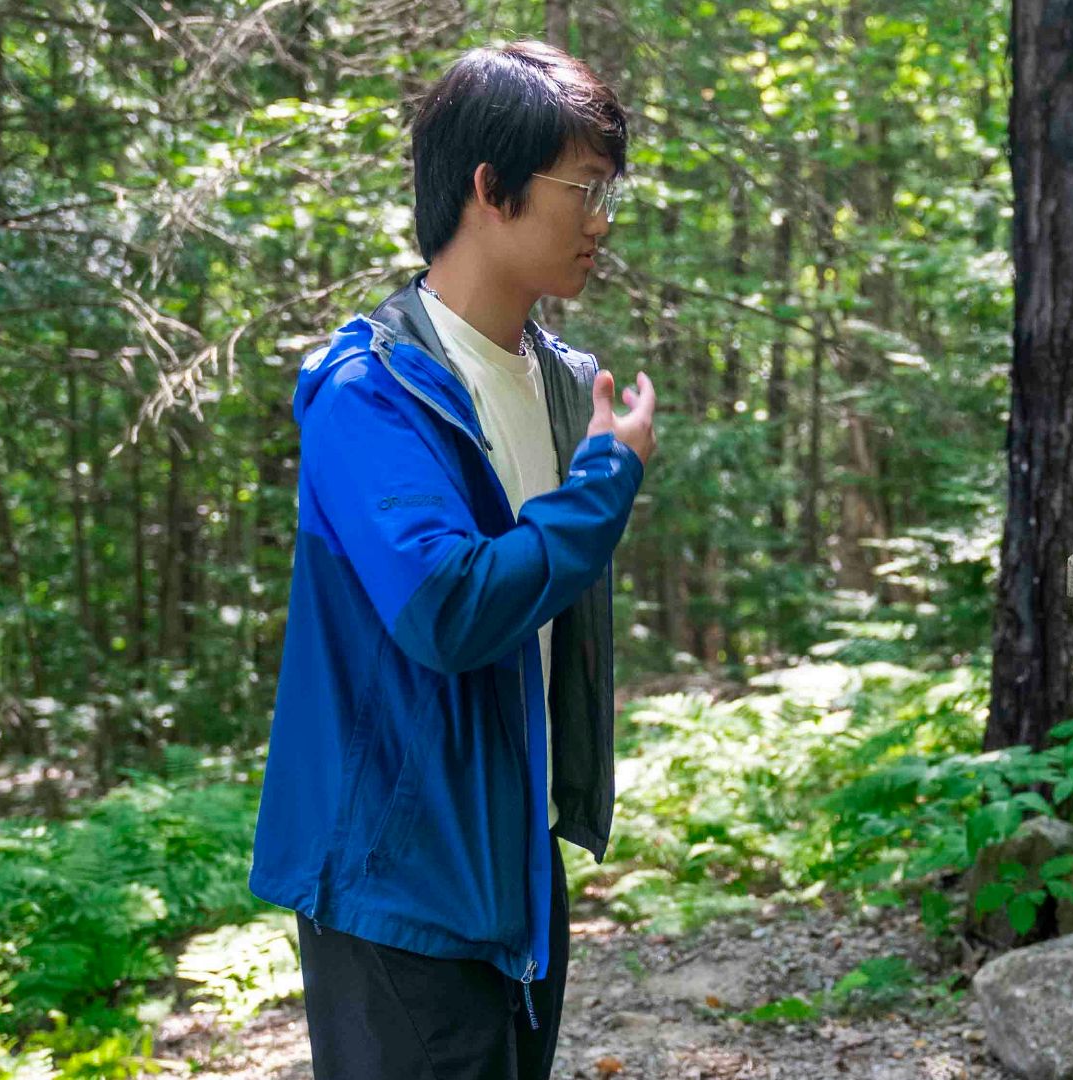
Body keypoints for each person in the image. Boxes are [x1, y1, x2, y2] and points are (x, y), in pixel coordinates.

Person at [248, 41, 655, 1080]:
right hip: (398, 884)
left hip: (512, 862)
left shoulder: (562, 383)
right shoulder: (367, 392)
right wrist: (605, 487)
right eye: (585, 189)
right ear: (490, 190)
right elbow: (447, 605)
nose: (602, 220)